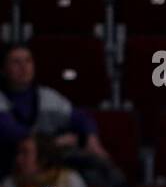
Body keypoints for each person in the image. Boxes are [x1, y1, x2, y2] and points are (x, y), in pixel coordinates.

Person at [0, 44, 113, 177]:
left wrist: (91, 139)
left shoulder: (46, 96)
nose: (24, 67)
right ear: (3, 69)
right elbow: (14, 133)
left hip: (47, 161)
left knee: (95, 165)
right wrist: (56, 142)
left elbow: (81, 118)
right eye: (16, 62)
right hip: (10, 163)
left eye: (28, 61)